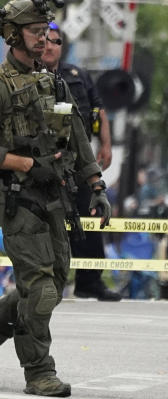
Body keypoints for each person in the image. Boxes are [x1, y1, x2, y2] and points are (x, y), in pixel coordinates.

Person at [0, 0, 111, 397]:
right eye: (35, 32)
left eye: (47, 32)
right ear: (13, 35)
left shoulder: (50, 79)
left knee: (51, 286)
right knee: (40, 290)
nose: (44, 40)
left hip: (54, 197)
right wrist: (25, 165)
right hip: (16, 199)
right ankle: (39, 372)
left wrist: (95, 184)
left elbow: (77, 136)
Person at [40, 22, 120, 302]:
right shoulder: (31, 78)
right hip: (47, 166)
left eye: (56, 41)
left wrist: (106, 144)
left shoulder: (77, 75)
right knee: (50, 224)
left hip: (80, 164)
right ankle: (49, 283)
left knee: (90, 218)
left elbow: (98, 110)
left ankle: (90, 281)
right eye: (46, 40)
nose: (50, 46)